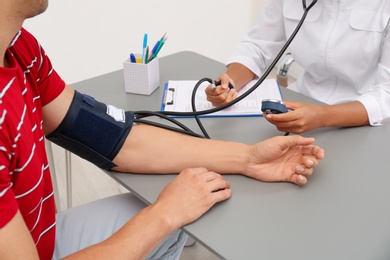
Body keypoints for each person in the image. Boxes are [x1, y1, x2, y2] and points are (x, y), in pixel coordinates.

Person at [0, 1, 325, 259]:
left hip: (39, 238)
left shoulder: (20, 50)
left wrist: (247, 158)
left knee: (184, 213)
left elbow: (116, 140)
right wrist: (163, 215)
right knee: (167, 216)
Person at [205, 0, 390, 134]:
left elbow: (386, 94)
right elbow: (258, 45)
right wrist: (230, 83)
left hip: (367, 120)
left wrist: (323, 116)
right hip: (301, 105)